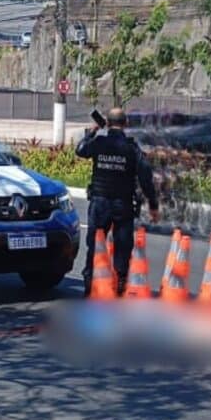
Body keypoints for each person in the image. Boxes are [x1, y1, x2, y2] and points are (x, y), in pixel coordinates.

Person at [76, 108, 160, 296]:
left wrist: (93, 131)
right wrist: (153, 205)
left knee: (95, 244)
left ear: (107, 122)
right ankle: (120, 282)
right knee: (123, 245)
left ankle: (89, 284)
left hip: (99, 203)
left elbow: (80, 150)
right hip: (122, 204)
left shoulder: (98, 143)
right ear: (126, 124)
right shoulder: (131, 148)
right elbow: (146, 178)